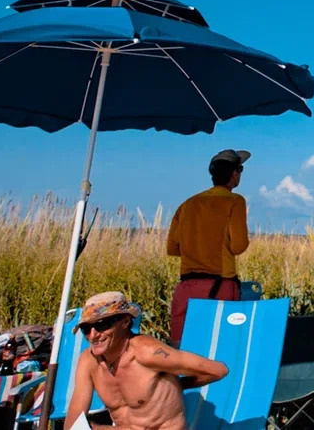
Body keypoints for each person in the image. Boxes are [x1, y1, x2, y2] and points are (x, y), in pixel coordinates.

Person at [65, 291, 228, 430]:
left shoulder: (150, 353)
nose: (93, 335)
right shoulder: (89, 361)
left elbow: (218, 370)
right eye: (86, 329)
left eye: (102, 325)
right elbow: (74, 421)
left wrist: (180, 384)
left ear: (125, 322)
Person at [165, 149, 251, 346]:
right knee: (222, 348)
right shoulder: (235, 201)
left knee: (181, 348)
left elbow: (172, 248)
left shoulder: (188, 204)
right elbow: (238, 246)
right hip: (220, 286)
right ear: (235, 174)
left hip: (185, 287)